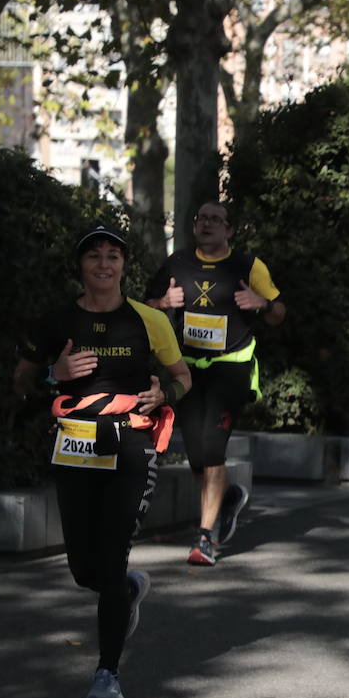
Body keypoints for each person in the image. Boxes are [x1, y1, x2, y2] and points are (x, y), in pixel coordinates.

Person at [14, 226, 192, 698]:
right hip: (73, 446)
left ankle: (106, 673)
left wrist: (163, 395)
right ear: (81, 267)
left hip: (131, 446)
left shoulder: (149, 320)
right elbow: (21, 382)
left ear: (123, 266)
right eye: (94, 257)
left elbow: (182, 376)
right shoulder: (57, 321)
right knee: (83, 568)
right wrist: (55, 375)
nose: (104, 265)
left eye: (113, 256)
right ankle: (126, 590)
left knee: (111, 558)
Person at [145, 201, 284, 566]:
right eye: (201, 218)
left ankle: (206, 536)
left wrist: (262, 304)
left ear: (230, 230)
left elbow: (280, 312)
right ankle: (226, 502)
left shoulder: (248, 265)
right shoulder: (177, 263)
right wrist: (163, 302)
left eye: (216, 219)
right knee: (195, 452)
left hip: (230, 369)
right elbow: (147, 307)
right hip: (188, 369)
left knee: (212, 448)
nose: (207, 224)